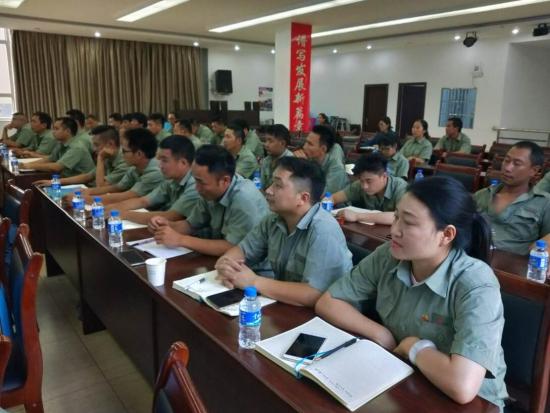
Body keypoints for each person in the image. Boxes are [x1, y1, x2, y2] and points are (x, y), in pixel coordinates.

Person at [316, 176, 508, 410]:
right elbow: (329, 302)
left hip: (473, 402)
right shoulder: (389, 255)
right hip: (406, 377)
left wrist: (414, 347)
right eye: (396, 217)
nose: (395, 230)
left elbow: (463, 386)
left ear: (447, 235)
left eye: (408, 222)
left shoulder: (476, 283)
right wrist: (381, 333)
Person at [215, 157, 352, 307]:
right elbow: (243, 250)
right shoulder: (273, 220)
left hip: (323, 314)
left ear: (303, 198)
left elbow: (314, 294)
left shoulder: (324, 230)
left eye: (278, 185)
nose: (268, 190)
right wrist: (227, 264)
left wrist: (254, 282)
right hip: (287, 304)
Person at [148, 145, 269, 257]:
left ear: (225, 181)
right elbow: (191, 225)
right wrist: (167, 225)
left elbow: (232, 247)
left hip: (250, 268)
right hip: (222, 261)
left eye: (201, 182)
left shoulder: (244, 199)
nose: (197, 188)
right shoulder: (208, 191)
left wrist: (180, 240)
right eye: (195, 180)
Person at [474, 141, 550, 255]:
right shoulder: (481, 195)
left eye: (517, 164)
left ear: (534, 170)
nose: (508, 168)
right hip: (474, 259)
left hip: (514, 263)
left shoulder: (544, 203)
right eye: (506, 160)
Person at [105, 136, 199, 225]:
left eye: (164, 161)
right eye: (160, 160)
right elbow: (144, 201)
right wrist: (111, 208)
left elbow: (172, 216)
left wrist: (125, 214)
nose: (160, 165)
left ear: (183, 163)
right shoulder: (171, 179)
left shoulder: (195, 184)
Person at [81, 128, 164, 205]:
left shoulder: (154, 172)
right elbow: (117, 187)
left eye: (124, 151)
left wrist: (85, 199)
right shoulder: (134, 168)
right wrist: (87, 191)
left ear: (139, 154)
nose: (122, 154)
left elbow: (127, 196)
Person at [34, 125, 130, 187]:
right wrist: (55, 181)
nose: (94, 149)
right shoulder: (108, 156)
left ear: (110, 144)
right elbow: (88, 176)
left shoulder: (124, 162)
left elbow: (101, 186)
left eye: (96, 145)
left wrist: (100, 159)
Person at [332, 152, 407, 225]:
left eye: (369, 181)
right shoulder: (359, 185)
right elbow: (333, 198)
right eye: (361, 180)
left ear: (384, 176)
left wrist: (357, 216)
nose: (364, 186)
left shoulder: (401, 188)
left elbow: (401, 217)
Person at [25, 117, 95, 178]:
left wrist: (29, 166)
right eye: (53, 129)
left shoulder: (77, 147)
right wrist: (28, 164)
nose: (53, 132)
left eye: (56, 129)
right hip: (67, 179)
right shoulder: (60, 143)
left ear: (67, 131)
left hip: (83, 184)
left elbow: (57, 167)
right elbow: (49, 159)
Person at [297, 125, 348, 193]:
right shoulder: (311, 159)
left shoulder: (337, 168)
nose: (304, 147)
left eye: (310, 144)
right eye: (306, 142)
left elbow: (325, 195)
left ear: (323, 149)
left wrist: (305, 167)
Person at [260, 124, 294, 189]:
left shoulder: (291, 162)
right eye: (265, 141)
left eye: (270, 141)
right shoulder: (266, 160)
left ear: (282, 143)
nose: (266, 144)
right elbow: (262, 185)